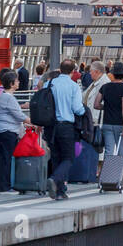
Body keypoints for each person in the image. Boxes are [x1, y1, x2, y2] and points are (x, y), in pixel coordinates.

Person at [43, 59, 87, 201]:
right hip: (66, 126)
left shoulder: (48, 84)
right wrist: (84, 111)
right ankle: (55, 179)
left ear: (60, 70)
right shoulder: (73, 86)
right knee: (68, 157)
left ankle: (59, 192)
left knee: (56, 157)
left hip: (50, 126)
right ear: (73, 71)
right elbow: (77, 109)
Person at [0, 69, 26, 194]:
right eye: (16, 81)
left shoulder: (3, 95)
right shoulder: (8, 97)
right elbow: (19, 115)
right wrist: (32, 121)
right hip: (7, 131)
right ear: (11, 83)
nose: (18, 82)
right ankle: (5, 187)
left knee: (3, 158)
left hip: (0, 129)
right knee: (6, 158)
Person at [93, 62, 123, 165]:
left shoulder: (105, 87)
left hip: (107, 124)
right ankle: (119, 178)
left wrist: (107, 107)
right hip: (120, 124)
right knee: (121, 152)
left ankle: (106, 177)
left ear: (112, 74)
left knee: (109, 152)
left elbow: (96, 105)